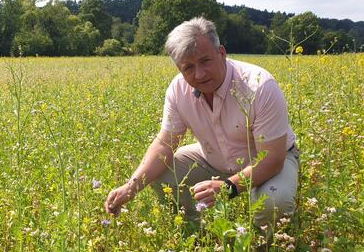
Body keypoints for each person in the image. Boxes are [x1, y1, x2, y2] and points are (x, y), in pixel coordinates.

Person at [104, 17, 299, 230]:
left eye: (205, 61)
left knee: (274, 202)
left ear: (221, 53)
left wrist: (227, 187)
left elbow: (272, 158)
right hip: (214, 156)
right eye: (188, 67)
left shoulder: (259, 86)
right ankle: (197, 235)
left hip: (268, 160)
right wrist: (130, 187)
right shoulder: (178, 90)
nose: (199, 74)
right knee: (162, 174)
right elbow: (164, 144)